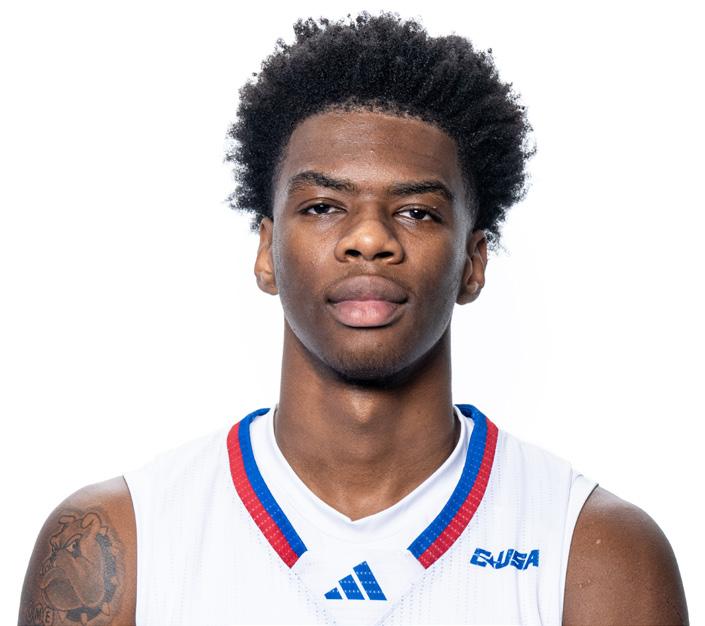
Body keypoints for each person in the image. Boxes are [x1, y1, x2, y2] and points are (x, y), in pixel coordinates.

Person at [18, 11, 688, 626]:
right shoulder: (118, 542)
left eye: (417, 212)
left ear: (472, 263)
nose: (369, 239)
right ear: (266, 251)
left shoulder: (595, 550)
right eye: (322, 207)